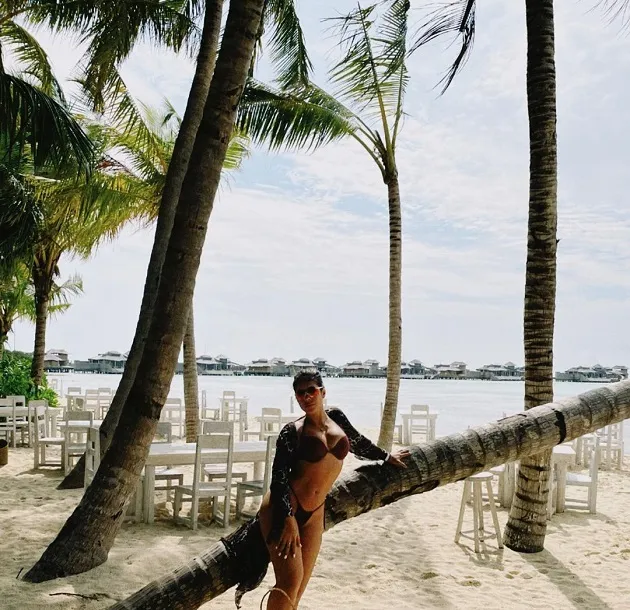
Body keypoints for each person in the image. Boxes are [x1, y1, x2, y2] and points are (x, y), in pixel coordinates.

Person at [222, 368, 410, 609]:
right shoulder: (292, 432)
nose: (305, 397)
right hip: (283, 509)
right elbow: (278, 479)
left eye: (310, 391)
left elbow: (359, 443)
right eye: (300, 394)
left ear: (322, 391)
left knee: (299, 589)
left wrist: (386, 456)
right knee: (289, 582)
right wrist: (288, 520)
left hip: (315, 514)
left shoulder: (337, 418)